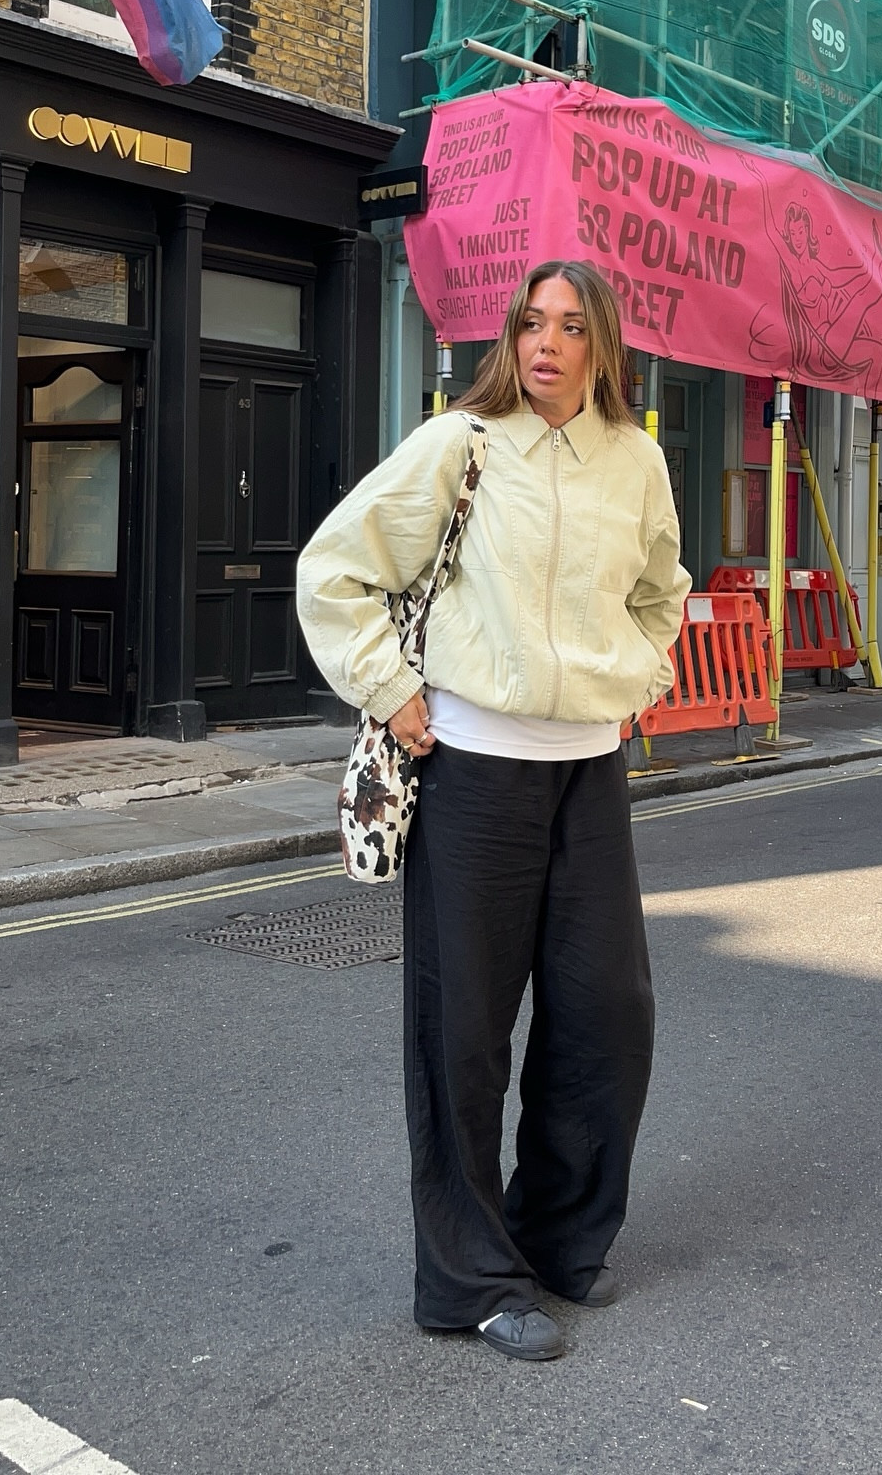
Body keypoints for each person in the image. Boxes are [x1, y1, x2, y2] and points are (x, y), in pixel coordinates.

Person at [296, 262, 688, 1363]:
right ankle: (471, 1278)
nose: (547, 343)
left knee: (608, 1017)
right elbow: (335, 570)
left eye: (570, 326)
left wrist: (637, 680)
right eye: (531, 323)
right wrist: (394, 688)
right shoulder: (460, 444)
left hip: (588, 775)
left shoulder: (638, 463)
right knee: (464, 1034)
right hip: (474, 774)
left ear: (604, 343)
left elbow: (664, 592)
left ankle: (562, 1241)